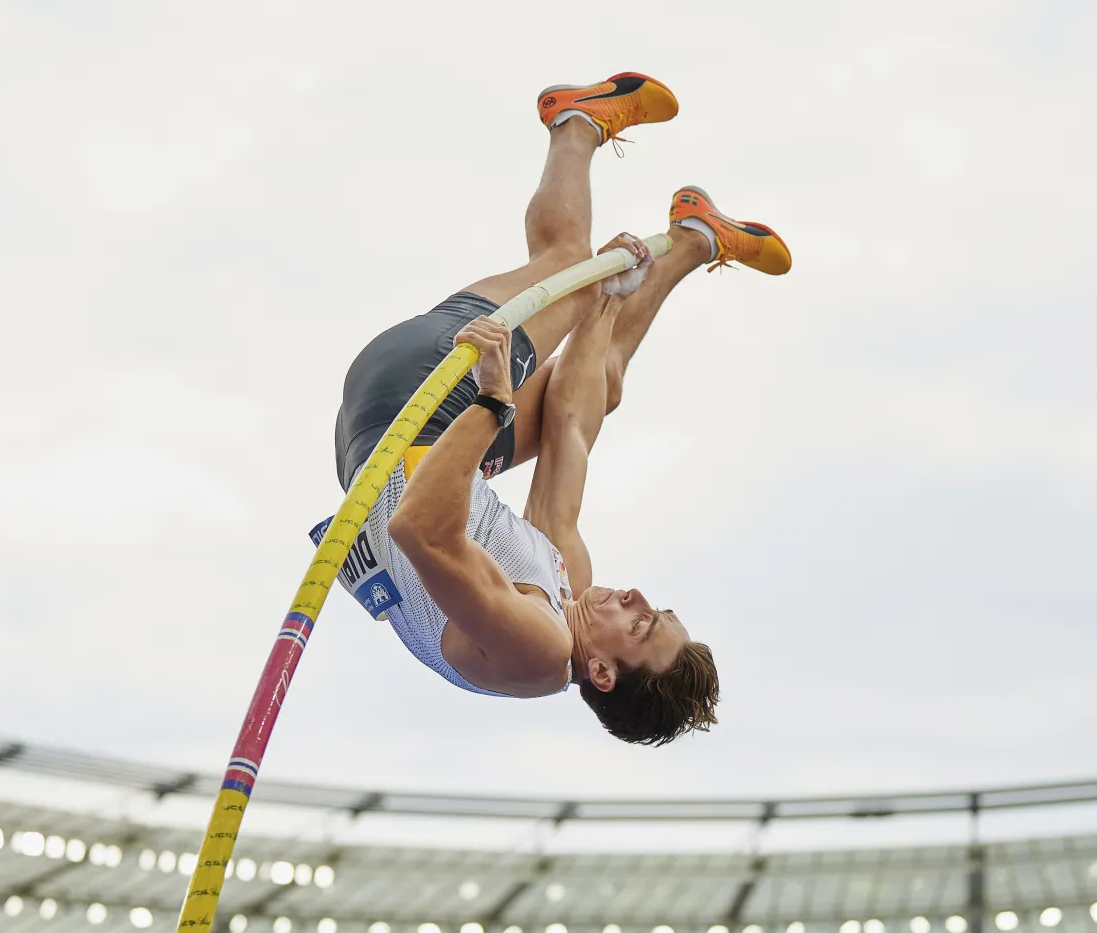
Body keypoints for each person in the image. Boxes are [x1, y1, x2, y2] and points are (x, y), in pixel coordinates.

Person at [325, 72, 791, 746]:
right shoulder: (568, 588)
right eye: (653, 607)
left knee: (563, 263)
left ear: (601, 671)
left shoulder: (536, 649)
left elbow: (417, 529)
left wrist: (493, 399)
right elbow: (571, 426)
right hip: (404, 432)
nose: (635, 598)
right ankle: (694, 238)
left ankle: (575, 122)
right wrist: (607, 300)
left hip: (416, 406)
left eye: (639, 625)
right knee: (601, 379)